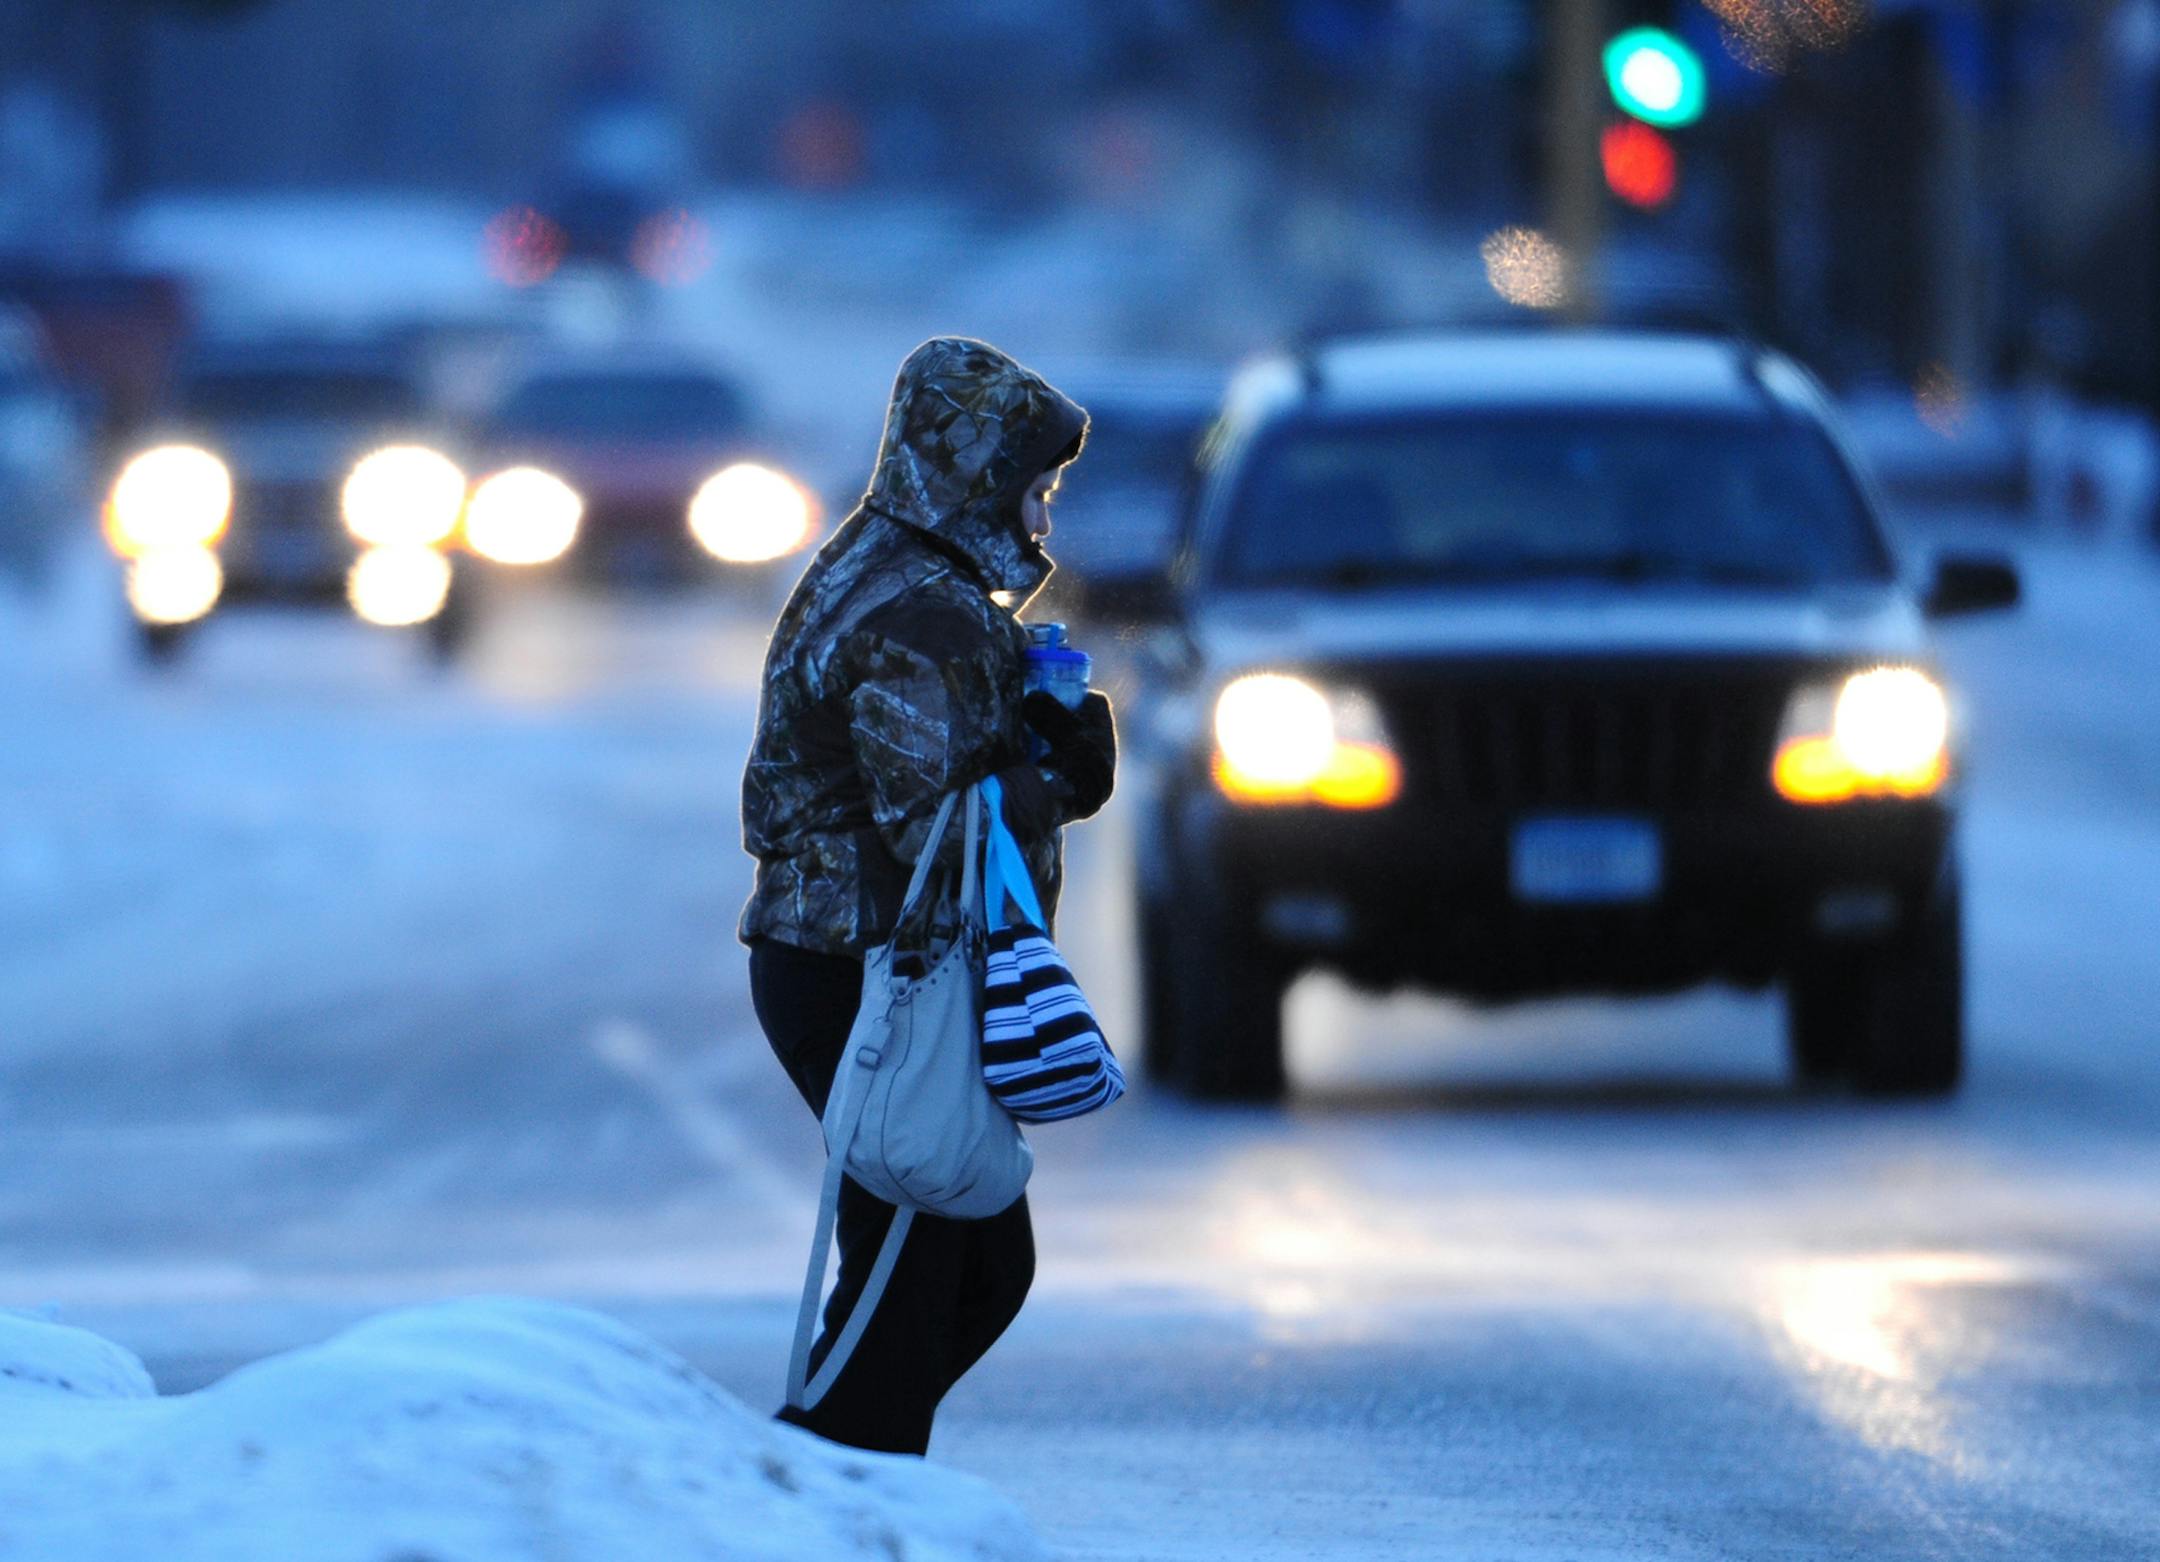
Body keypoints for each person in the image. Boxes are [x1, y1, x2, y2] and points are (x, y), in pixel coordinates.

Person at [740, 337, 1117, 1455]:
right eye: (1031, 489)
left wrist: (1030, 739)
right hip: (874, 971)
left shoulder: (895, 571)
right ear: (976, 476)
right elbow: (931, 825)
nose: (1041, 522)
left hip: (876, 967)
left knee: (971, 1257)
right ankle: (823, 1485)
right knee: (919, 1264)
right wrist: (1057, 774)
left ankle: (830, 1470)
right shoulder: (922, 608)